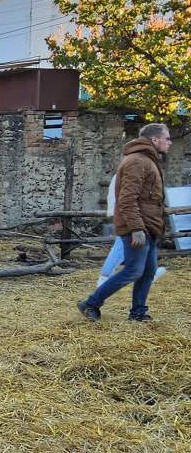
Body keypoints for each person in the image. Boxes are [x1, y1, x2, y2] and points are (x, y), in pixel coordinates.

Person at [79, 123, 172, 322]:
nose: (169, 142)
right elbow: (127, 199)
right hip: (138, 226)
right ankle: (91, 303)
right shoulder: (137, 161)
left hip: (149, 226)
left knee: (148, 272)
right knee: (134, 270)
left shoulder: (148, 160)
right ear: (155, 140)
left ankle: (138, 313)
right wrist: (137, 228)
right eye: (167, 138)